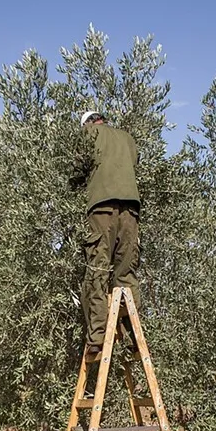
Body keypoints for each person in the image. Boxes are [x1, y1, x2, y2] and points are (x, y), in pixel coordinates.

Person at [77, 111, 141, 354]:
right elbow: (134, 162)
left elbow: (76, 168)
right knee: (126, 273)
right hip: (131, 209)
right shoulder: (126, 137)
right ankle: (135, 338)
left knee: (98, 270)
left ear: (87, 124)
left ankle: (97, 338)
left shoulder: (87, 134)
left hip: (101, 208)